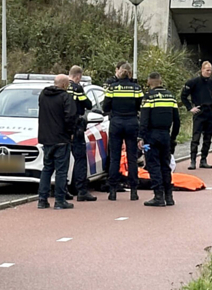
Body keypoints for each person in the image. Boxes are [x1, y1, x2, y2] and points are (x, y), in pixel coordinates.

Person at [139, 72, 181, 207]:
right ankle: (169, 197)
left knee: (153, 164)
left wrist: (141, 138)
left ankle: (158, 196)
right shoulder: (171, 97)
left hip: (150, 138)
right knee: (165, 165)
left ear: (149, 82)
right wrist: (173, 138)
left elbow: (144, 120)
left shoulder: (149, 97)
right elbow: (177, 121)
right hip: (165, 136)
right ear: (161, 81)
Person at [103, 62, 143, 201]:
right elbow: (140, 105)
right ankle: (134, 190)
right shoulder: (136, 88)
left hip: (116, 122)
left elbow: (105, 106)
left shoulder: (112, 88)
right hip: (131, 122)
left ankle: (112, 190)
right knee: (132, 157)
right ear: (130, 73)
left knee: (115, 157)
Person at [37, 75, 77, 210]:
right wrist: (70, 132)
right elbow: (70, 117)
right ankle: (60, 200)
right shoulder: (65, 97)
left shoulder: (43, 95)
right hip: (61, 139)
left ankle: (42, 200)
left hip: (46, 138)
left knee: (47, 168)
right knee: (61, 171)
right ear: (65, 85)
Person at [181, 61, 212, 170]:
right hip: (199, 112)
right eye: (207, 70)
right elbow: (183, 96)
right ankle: (192, 160)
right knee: (196, 137)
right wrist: (190, 108)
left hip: (209, 112)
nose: (209, 72)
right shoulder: (193, 82)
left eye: (210, 70)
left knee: (208, 137)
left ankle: (203, 160)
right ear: (202, 70)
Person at [67, 66, 96, 202]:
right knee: (80, 159)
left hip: (60, 128)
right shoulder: (77, 89)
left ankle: (63, 189)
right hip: (76, 128)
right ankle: (81, 191)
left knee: (62, 159)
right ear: (78, 76)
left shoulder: (61, 87)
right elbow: (88, 104)